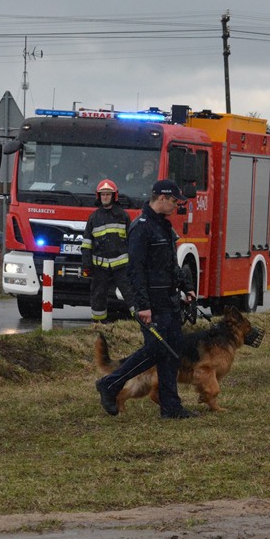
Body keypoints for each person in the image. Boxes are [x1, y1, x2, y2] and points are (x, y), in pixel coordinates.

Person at [96, 179, 197, 419]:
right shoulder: (141, 228)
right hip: (152, 302)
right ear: (161, 198)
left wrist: (186, 287)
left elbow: (170, 264)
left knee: (171, 352)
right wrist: (143, 306)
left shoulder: (163, 226)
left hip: (170, 300)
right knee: (155, 349)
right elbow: (135, 270)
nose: (176, 206)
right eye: (174, 201)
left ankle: (171, 407)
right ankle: (110, 383)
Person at [82, 179, 136, 321]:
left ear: (114, 196)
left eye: (108, 194)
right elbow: (87, 242)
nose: (105, 197)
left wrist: (134, 262)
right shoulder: (93, 218)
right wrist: (87, 263)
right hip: (100, 266)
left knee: (130, 293)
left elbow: (132, 240)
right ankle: (99, 324)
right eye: (103, 194)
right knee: (98, 295)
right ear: (99, 196)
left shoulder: (123, 216)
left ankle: (141, 322)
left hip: (121, 266)